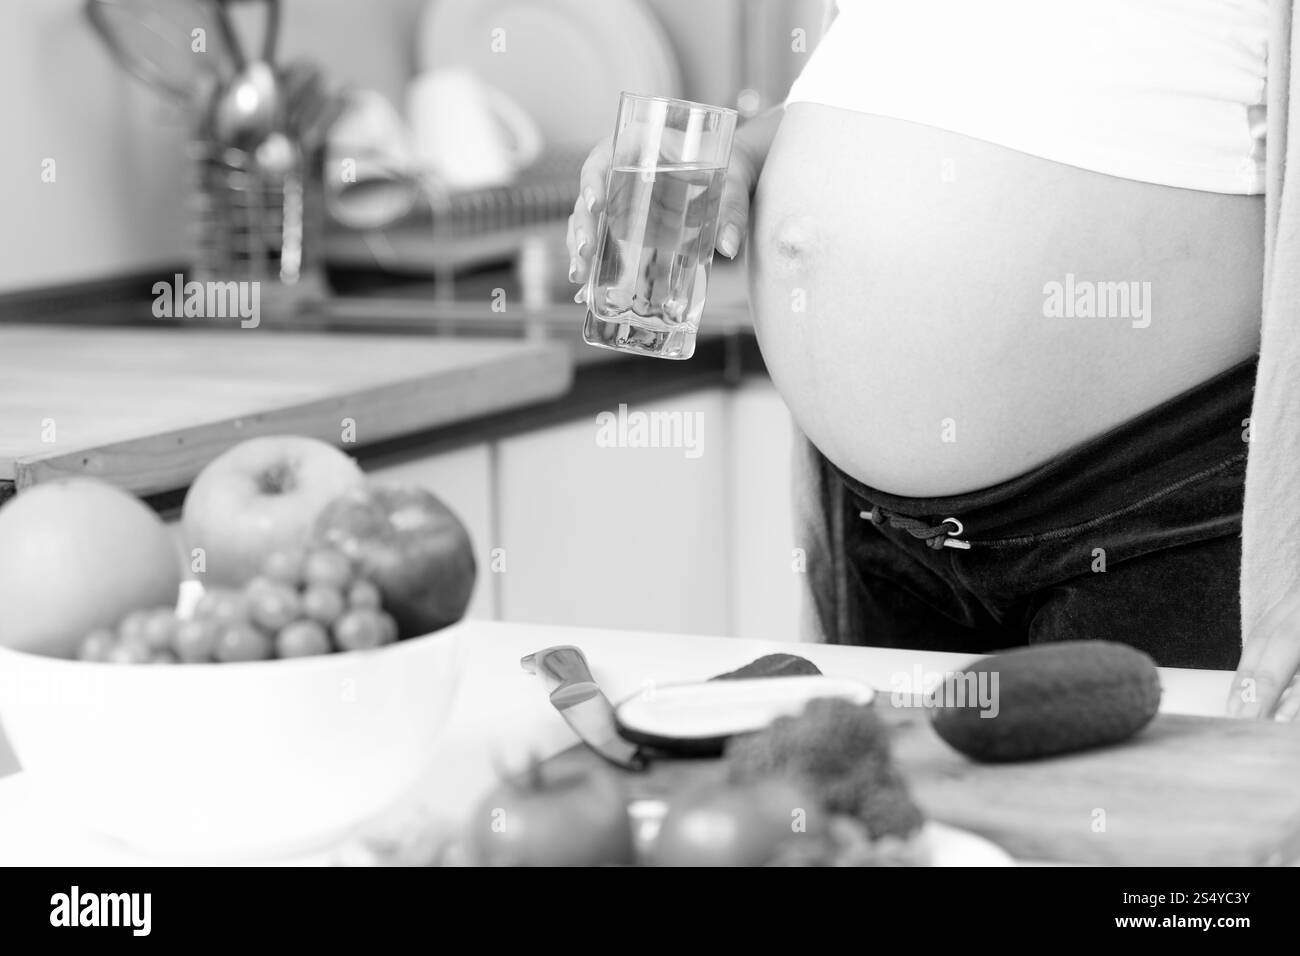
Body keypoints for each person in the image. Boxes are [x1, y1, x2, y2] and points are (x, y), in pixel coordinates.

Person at [568, 0, 1300, 720]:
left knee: (1122, 833)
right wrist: (751, 151)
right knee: (900, 830)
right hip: (882, 528)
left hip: (1155, 504)